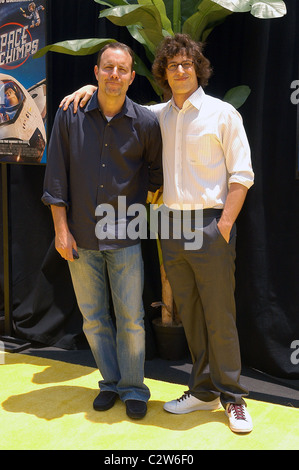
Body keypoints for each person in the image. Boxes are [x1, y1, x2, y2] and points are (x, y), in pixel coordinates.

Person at [60, 33, 254, 433]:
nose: (179, 70)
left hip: (210, 224)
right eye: (171, 65)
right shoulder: (158, 115)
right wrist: (89, 87)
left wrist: (224, 226)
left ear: (197, 68)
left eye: (186, 64)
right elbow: (114, 98)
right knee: (193, 316)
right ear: (163, 73)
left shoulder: (222, 114)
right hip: (169, 226)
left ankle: (232, 396)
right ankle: (203, 392)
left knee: (220, 314)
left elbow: (242, 176)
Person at [42, 42, 163, 419]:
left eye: (122, 69)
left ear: (131, 76)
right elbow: (56, 177)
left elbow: (156, 177)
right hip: (80, 236)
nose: (114, 75)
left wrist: (136, 215)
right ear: (96, 73)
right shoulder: (69, 114)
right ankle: (110, 383)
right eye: (107, 68)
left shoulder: (145, 122)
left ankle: (133, 389)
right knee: (94, 317)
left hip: (125, 236)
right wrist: (61, 231)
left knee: (131, 318)